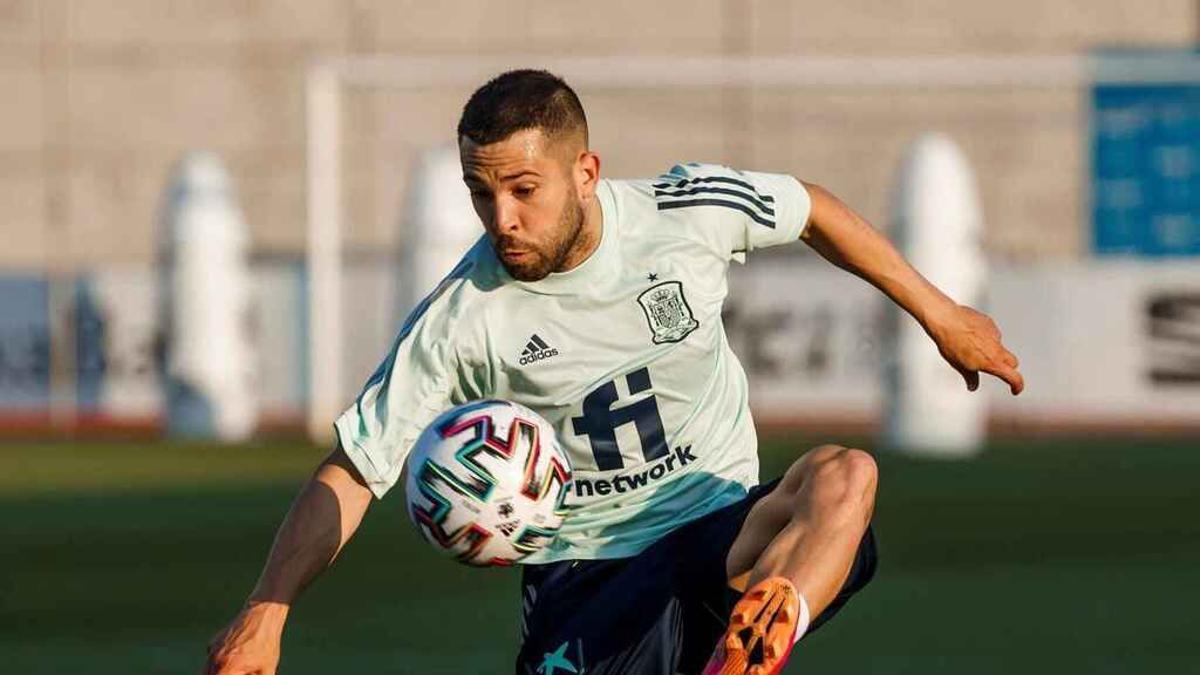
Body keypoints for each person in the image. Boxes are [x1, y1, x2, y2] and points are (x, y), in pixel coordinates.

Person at [205, 69, 1024, 675]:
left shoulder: (684, 214)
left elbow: (809, 208)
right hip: (587, 578)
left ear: (586, 173)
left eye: (524, 189)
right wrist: (266, 611)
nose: (503, 220)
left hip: (721, 526)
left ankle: (755, 644)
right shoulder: (462, 316)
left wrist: (941, 312)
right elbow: (352, 470)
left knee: (848, 476)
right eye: (481, 194)